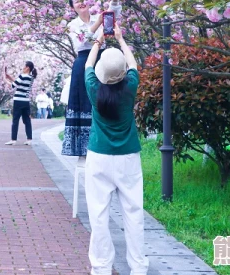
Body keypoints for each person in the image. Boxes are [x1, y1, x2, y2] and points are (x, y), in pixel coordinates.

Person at [83, 23, 149, 275]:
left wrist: (99, 41)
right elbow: (133, 66)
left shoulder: (94, 89)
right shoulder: (129, 87)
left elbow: (88, 66)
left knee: (98, 215)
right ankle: (138, 267)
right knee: (133, 213)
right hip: (128, 158)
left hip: (98, 157)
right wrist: (121, 40)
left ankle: (101, 267)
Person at [61, 0, 121, 158]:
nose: (81, 3)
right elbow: (81, 43)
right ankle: (83, 146)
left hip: (102, 60)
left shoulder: (97, 17)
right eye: (77, 1)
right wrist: (97, 24)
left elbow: (111, 19)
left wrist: (115, 0)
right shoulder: (72, 25)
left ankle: (104, 139)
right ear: (73, 7)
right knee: (84, 100)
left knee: (103, 97)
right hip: (83, 62)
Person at [4, 61, 37, 145]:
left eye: (24, 66)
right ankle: (29, 139)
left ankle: (13, 140)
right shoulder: (31, 77)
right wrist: (10, 78)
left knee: (15, 120)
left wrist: (5, 80)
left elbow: (13, 85)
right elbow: (19, 83)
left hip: (18, 101)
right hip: (26, 102)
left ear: (27, 68)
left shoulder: (22, 76)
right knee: (27, 120)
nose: (23, 67)